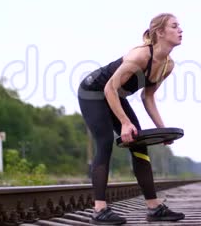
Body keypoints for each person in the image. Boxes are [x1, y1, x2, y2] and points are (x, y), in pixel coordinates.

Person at [77, 13, 185, 225]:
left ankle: (154, 208)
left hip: (115, 96)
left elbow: (148, 97)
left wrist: (162, 130)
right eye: (174, 26)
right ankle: (99, 211)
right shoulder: (139, 56)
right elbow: (109, 88)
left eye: (179, 26)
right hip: (94, 92)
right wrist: (125, 123)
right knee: (105, 142)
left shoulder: (167, 65)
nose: (180, 30)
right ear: (160, 33)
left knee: (139, 145)